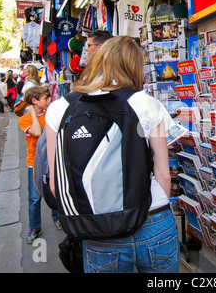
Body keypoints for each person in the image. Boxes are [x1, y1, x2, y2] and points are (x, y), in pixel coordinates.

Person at [45, 36, 180, 273]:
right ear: (134, 66)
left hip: (97, 227)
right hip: (153, 220)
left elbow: (57, 186)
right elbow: (163, 175)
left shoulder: (59, 108)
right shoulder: (148, 104)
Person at [18, 86, 61, 244]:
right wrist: (32, 114)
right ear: (35, 101)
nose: (49, 100)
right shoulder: (24, 119)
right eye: (46, 98)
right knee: (34, 198)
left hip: (50, 161)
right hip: (33, 164)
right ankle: (35, 226)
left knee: (54, 190)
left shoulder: (51, 114)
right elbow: (36, 132)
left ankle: (57, 218)